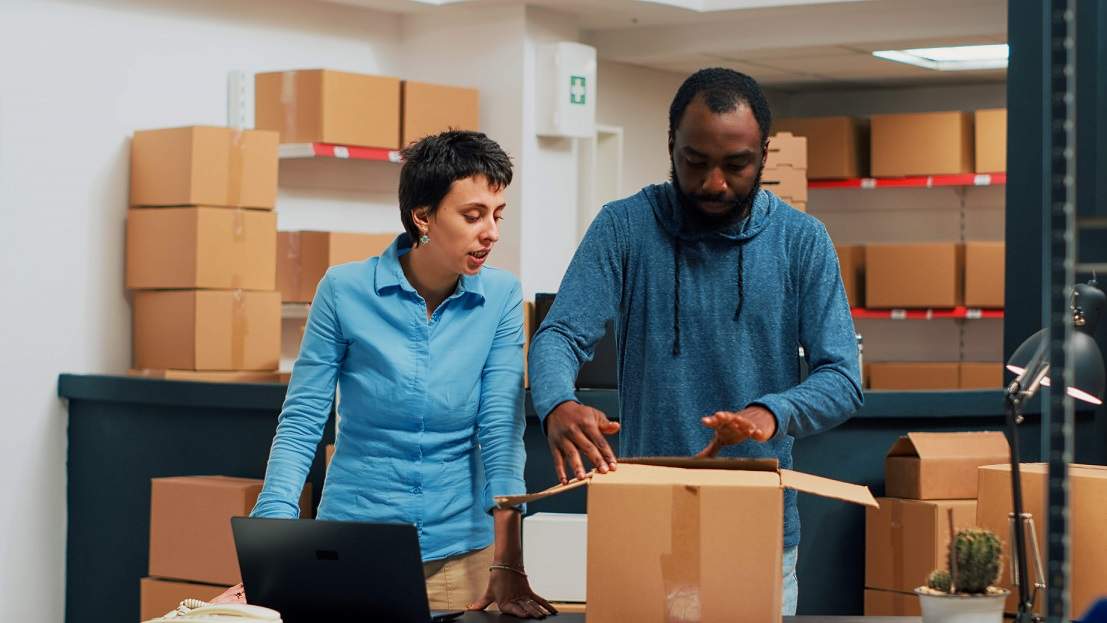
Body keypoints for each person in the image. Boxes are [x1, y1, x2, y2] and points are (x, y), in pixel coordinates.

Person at [527, 68, 863, 615]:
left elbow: (842, 378)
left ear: (763, 154)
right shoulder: (625, 227)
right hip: (643, 524)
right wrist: (557, 401)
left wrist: (770, 413)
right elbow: (560, 334)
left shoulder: (802, 241)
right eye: (695, 162)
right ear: (670, 148)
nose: (714, 183)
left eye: (735, 166)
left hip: (758, 528)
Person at [249, 130, 555, 619]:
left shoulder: (500, 298)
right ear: (423, 216)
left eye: (498, 215)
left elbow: (500, 429)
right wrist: (268, 545)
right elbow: (304, 421)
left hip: (459, 559)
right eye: (473, 215)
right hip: (350, 548)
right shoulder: (344, 290)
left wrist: (509, 555)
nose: (492, 232)